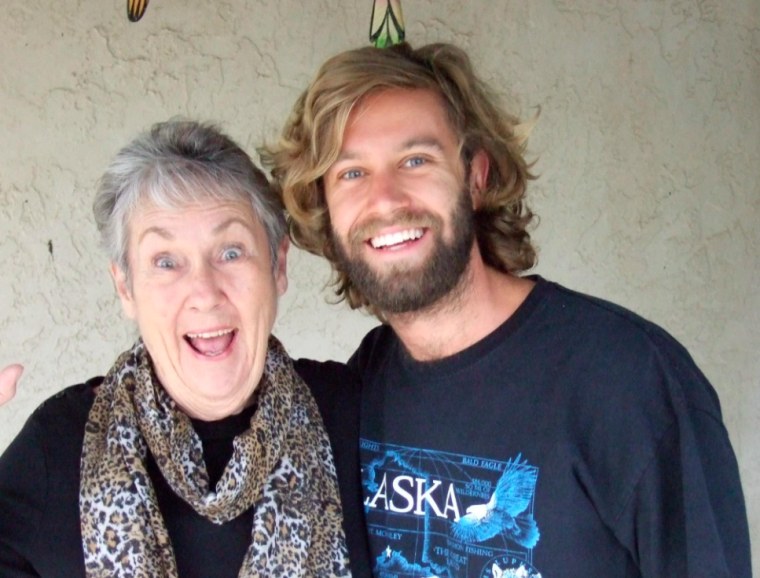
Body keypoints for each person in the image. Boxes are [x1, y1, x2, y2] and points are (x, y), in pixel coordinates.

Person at [262, 42, 752, 577]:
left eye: (415, 160)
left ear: (475, 177)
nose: (385, 198)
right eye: (350, 173)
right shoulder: (367, 382)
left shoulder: (630, 380)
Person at [0, 120, 371, 577]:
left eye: (231, 252)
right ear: (125, 287)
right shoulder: (56, 448)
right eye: (166, 261)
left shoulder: (353, 416)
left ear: (277, 266)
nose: (204, 291)